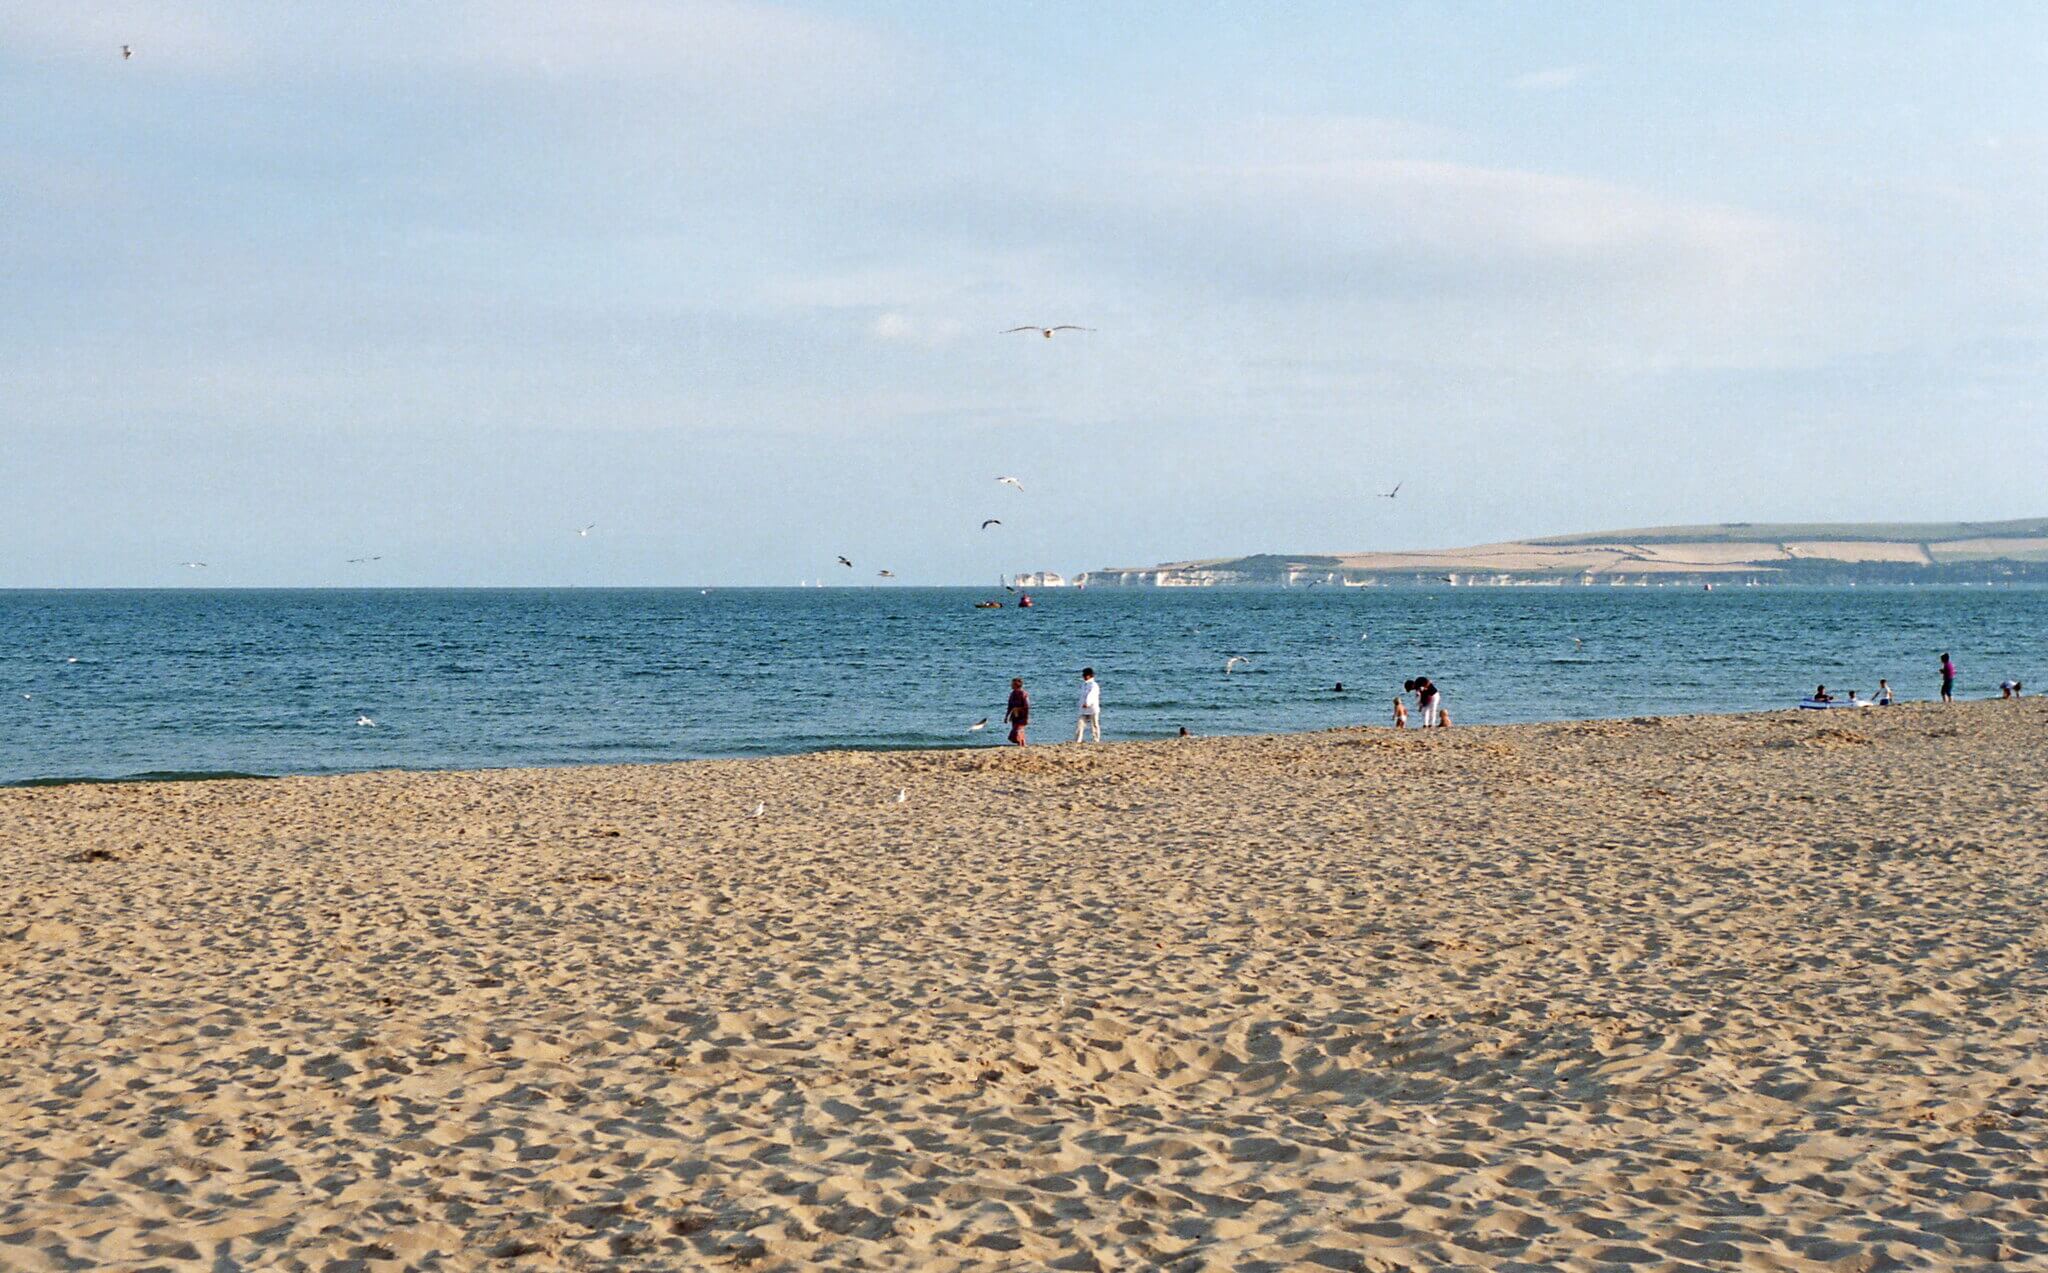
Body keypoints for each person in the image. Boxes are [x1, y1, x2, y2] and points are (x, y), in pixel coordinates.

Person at [1075, 667, 1101, 742]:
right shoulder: (1084, 685)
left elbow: (1092, 695)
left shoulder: (1094, 685)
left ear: (1089, 675)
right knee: (1080, 725)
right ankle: (1078, 740)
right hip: (1084, 709)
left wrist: (1087, 703)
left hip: (1092, 708)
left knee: (1094, 725)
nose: (1083, 676)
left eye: (1084, 675)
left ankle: (1096, 740)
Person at [1004, 678, 1029, 746]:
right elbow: (1009, 706)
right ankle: (1021, 745)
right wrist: (1006, 716)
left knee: (1017, 731)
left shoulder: (1023, 693)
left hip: (1022, 715)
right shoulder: (1012, 694)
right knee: (1017, 730)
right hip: (1014, 716)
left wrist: (1018, 709)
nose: (1011, 685)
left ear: (1016, 685)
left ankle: (1022, 744)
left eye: (1012, 684)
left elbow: (1027, 706)